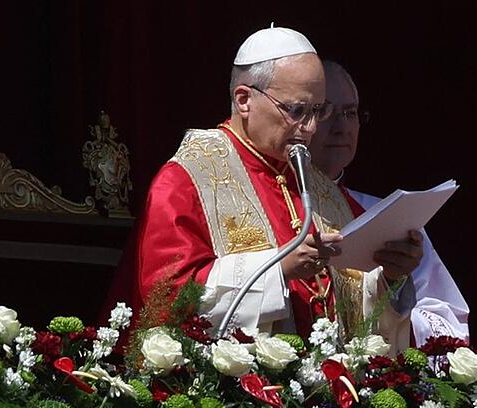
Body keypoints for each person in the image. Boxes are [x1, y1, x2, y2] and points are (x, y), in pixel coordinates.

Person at [135, 26, 423, 354]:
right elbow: (167, 299)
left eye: (318, 111)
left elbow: (356, 294)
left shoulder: (318, 187)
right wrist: (279, 269)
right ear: (244, 99)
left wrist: (391, 276)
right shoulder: (187, 180)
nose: (311, 128)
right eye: (297, 111)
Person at [307, 60, 470, 346]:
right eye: (325, 111)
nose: (342, 126)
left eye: (351, 113)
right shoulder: (270, 207)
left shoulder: (385, 216)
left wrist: (395, 291)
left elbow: (448, 325)